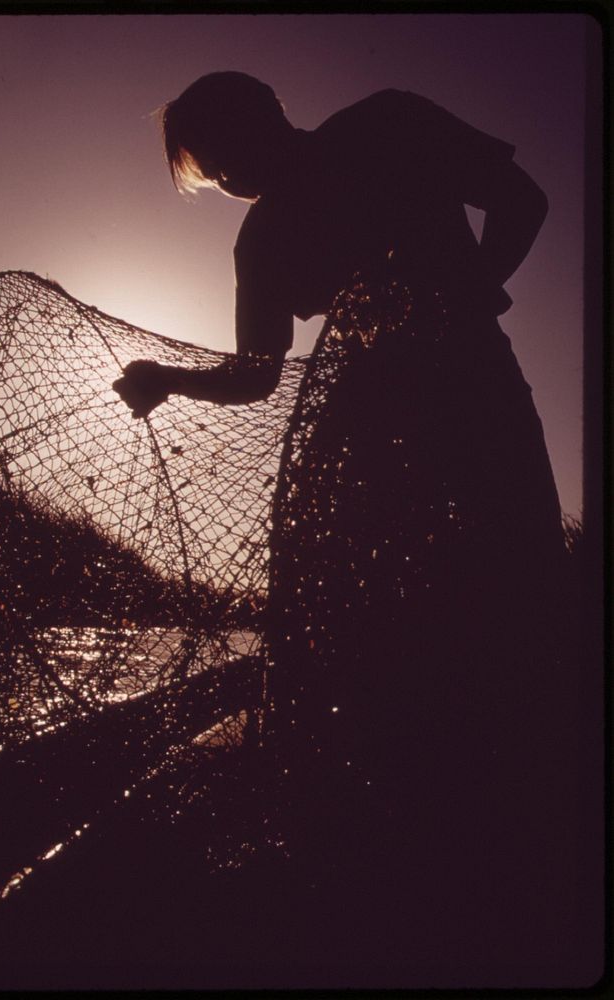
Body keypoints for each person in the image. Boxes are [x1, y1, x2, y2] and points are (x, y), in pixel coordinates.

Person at [113, 72, 578, 984]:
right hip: (357, 440)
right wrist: (169, 380)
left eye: (220, 158)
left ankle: (511, 858)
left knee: (510, 602)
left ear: (260, 113)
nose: (232, 183)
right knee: (378, 646)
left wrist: (466, 296)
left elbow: (523, 199)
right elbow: (256, 372)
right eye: (215, 172)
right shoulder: (262, 237)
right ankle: (402, 865)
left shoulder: (390, 122)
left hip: (469, 404)